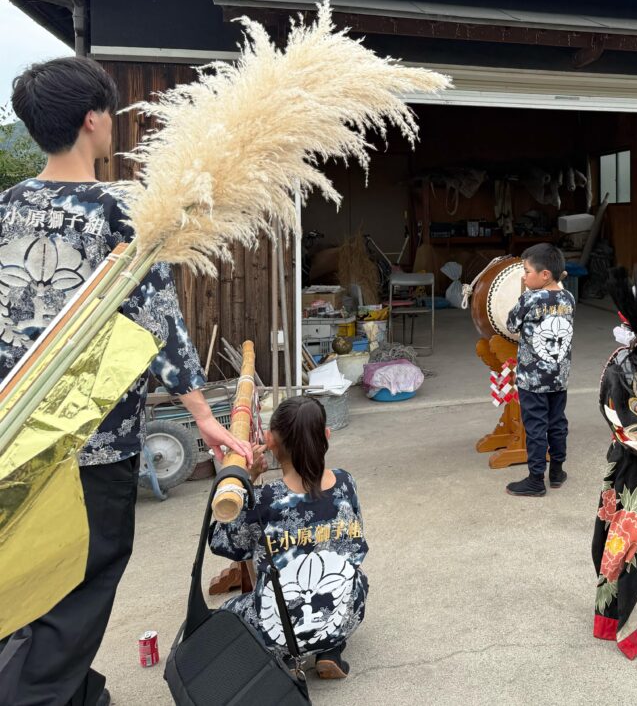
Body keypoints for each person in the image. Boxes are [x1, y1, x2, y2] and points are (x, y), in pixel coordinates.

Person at [0, 57, 253, 706]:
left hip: (15, 431)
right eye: (109, 112)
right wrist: (204, 415)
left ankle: (76, 693)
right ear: (92, 120)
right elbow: (158, 321)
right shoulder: (120, 209)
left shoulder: (7, 205)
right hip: (93, 437)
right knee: (83, 580)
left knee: (28, 572)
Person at [210, 396, 368, 679]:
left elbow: (224, 543)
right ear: (327, 435)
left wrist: (246, 483)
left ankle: (280, 658)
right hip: (341, 618)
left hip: (280, 630)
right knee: (355, 578)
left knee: (226, 614)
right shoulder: (346, 483)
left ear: (269, 440)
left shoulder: (264, 500)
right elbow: (356, 547)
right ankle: (330, 650)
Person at [505, 242, 575, 497]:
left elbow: (511, 324)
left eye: (527, 272)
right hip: (559, 376)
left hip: (533, 379)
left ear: (545, 274)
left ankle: (536, 479)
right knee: (557, 423)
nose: (524, 277)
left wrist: (523, 298)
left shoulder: (530, 298)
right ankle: (556, 472)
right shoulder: (568, 298)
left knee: (535, 427)